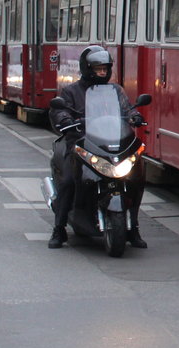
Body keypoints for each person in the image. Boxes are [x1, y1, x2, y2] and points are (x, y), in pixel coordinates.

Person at [48, 45, 148, 249]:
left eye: (105, 69)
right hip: (80, 142)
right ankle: (59, 229)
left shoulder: (115, 90)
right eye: (98, 69)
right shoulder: (71, 91)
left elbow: (126, 107)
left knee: (135, 179)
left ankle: (134, 228)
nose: (102, 72)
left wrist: (134, 116)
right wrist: (65, 119)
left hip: (110, 143)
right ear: (87, 68)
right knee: (68, 182)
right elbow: (60, 110)